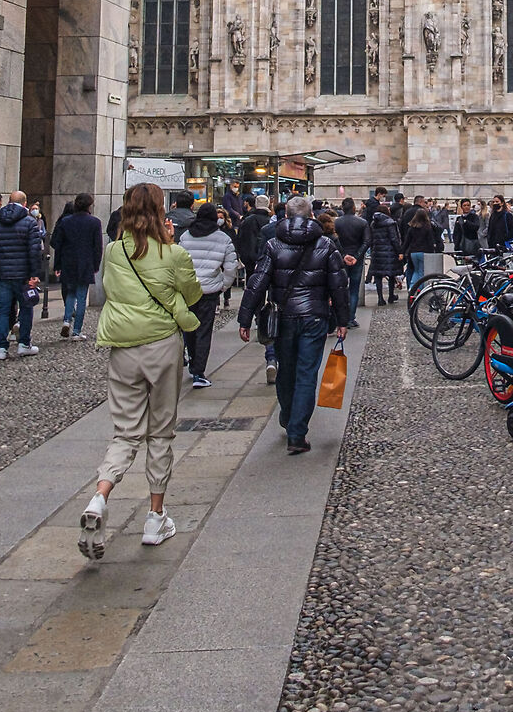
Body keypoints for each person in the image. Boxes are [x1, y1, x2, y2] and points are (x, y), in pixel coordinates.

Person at [79, 184, 202, 559]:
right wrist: (168, 243)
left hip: (122, 347)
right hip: (161, 344)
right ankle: (155, 517)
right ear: (160, 210)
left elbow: (112, 291)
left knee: (125, 432)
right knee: (161, 433)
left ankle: (100, 497)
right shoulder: (173, 251)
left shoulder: (115, 251)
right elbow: (193, 294)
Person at [239, 200, 348, 456]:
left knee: (286, 370)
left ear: (285, 216)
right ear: (311, 215)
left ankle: (289, 418)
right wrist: (342, 320)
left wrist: (245, 319)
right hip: (315, 317)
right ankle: (297, 433)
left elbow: (257, 283)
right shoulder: (326, 245)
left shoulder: (273, 244)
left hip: (284, 317)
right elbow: (339, 286)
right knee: (307, 373)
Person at [178, 200, 238, 384]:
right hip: (210, 290)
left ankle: (194, 360)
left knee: (189, 328)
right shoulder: (223, 239)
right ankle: (199, 372)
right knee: (204, 330)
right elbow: (230, 267)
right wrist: (224, 286)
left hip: (188, 289)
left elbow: (178, 262)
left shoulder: (186, 236)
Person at [0, 191, 43, 360]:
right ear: (25, 204)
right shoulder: (29, 223)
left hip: (1, 273)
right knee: (26, 308)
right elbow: (34, 251)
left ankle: (2, 348)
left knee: (3, 310)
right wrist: (34, 274)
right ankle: (23, 344)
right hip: (23, 274)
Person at [51, 193, 104, 338]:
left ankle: (67, 321)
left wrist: (57, 265)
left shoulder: (66, 221)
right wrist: (96, 264)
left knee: (70, 294)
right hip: (85, 262)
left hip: (68, 262)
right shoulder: (94, 222)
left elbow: (59, 245)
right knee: (81, 297)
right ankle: (77, 331)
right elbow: (97, 247)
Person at [334, 196, 368, 327]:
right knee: (353, 289)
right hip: (356, 259)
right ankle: (350, 317)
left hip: (340, 258)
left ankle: (340, 317)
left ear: (342, 208)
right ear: (354, 208)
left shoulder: (336, 223)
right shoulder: (362, 222)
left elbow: (333, 240)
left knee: (340, 288)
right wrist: (357, 256)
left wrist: (343, 255)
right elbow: (367, 241)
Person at [368, 194, 403, 305]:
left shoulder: (373, 223)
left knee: (378, 276)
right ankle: (391, 296)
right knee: (391, 275)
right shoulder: (390, 223)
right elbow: (394, 239)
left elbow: (371, 238)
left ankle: (380, 298)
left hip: (377, 252)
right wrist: (399, 251)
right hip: (389, 252)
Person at [404, 199, 436, 288]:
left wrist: (402, 251)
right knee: (422, 272)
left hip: (413, 252)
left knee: (416, 271)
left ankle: (412, 287)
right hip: (423, 251)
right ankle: (419, 289)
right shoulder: (427, 227)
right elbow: (430, 241)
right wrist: (432, 251)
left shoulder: (412, 228)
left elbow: (407, 241)